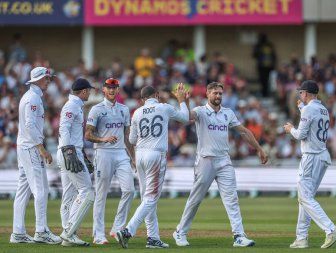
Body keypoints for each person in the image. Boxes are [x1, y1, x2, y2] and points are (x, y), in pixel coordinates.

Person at [173, 82, 268, 248]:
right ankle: (180, 231)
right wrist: (185, 101)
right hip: (205, 160)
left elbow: (244, 131)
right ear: (207, 94)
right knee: (196, 199)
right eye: (215, 93)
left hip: (224, 160)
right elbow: (187, 117)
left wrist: (259, 149)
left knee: (232, 199)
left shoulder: (227, 113)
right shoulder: (201, 111)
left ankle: (239, 235)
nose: (218, 96)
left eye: (220, 94)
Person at [117, 84, 190, 249]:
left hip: (140, 155)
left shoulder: (137, 112)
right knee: (151, 198)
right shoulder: (163, 107)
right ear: (156, 94)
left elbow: (133, 140)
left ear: (142, 99)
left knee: (146, 199)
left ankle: (153, 238)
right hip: (155, 155)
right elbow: (185, 118)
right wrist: (181, 101)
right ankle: (128, 230)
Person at [283, 80, 336, 249]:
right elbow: (313, 119)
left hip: (311, 157)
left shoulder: (309, 109)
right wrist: (302, 109)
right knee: (306, 198)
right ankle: (301, 238)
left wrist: (290, 129)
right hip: (322, 155)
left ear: (307, 94)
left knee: (304, 197)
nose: (300, 95)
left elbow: (301, 134)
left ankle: (331, 229)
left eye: (301, 92)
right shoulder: (323, 109)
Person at [11, 67, 62, 244]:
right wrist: (41, 148)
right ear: (38, 80)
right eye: (46, 78)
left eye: (49, 78)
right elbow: (30, 125)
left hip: (25, 146)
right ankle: (41, 231)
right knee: (41, 189)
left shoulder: (32, 96)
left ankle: (18, 233)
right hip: (31, 147)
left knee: (23, 190)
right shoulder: (32, 98)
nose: (49, 81)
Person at [85, 78, 136, 245]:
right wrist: (104, 139)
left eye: (114, 88)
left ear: (118, 90)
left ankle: (117, 228)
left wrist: (133, 156)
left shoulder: (124, 109)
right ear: (103, 90)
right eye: (109, 88)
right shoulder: (96, 110)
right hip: (103, 153)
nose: (112, 90)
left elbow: (127, 136)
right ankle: (98, 235)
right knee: (101, 194)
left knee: (129, 190)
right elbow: (88, 134)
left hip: (121, 153)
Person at [58, 78, 95, 247]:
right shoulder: (72, 105)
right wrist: (70, 151)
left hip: (70, 151)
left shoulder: (76, 105)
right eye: (89, 90)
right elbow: (63, 127)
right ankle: (69, 232)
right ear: (84, 91)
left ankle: (68, 236)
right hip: (69, 152)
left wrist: (80, 153)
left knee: (69, 195)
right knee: (87, 191)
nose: (90, 93)